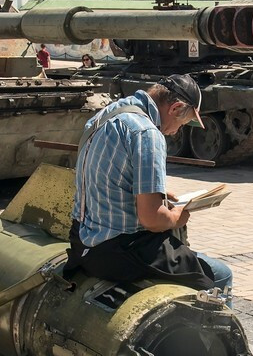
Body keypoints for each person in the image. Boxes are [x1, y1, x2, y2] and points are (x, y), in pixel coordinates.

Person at [66, 73, 232, 295]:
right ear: (175, 108)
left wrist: (154, 194)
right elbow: (152, 219)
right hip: (116, 251)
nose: (176, 131)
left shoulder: (107, 114)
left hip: (82, 242)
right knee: (220, 275)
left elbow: (109, 180)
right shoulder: (146, 133)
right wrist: (177, 217)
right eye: (182, 123)